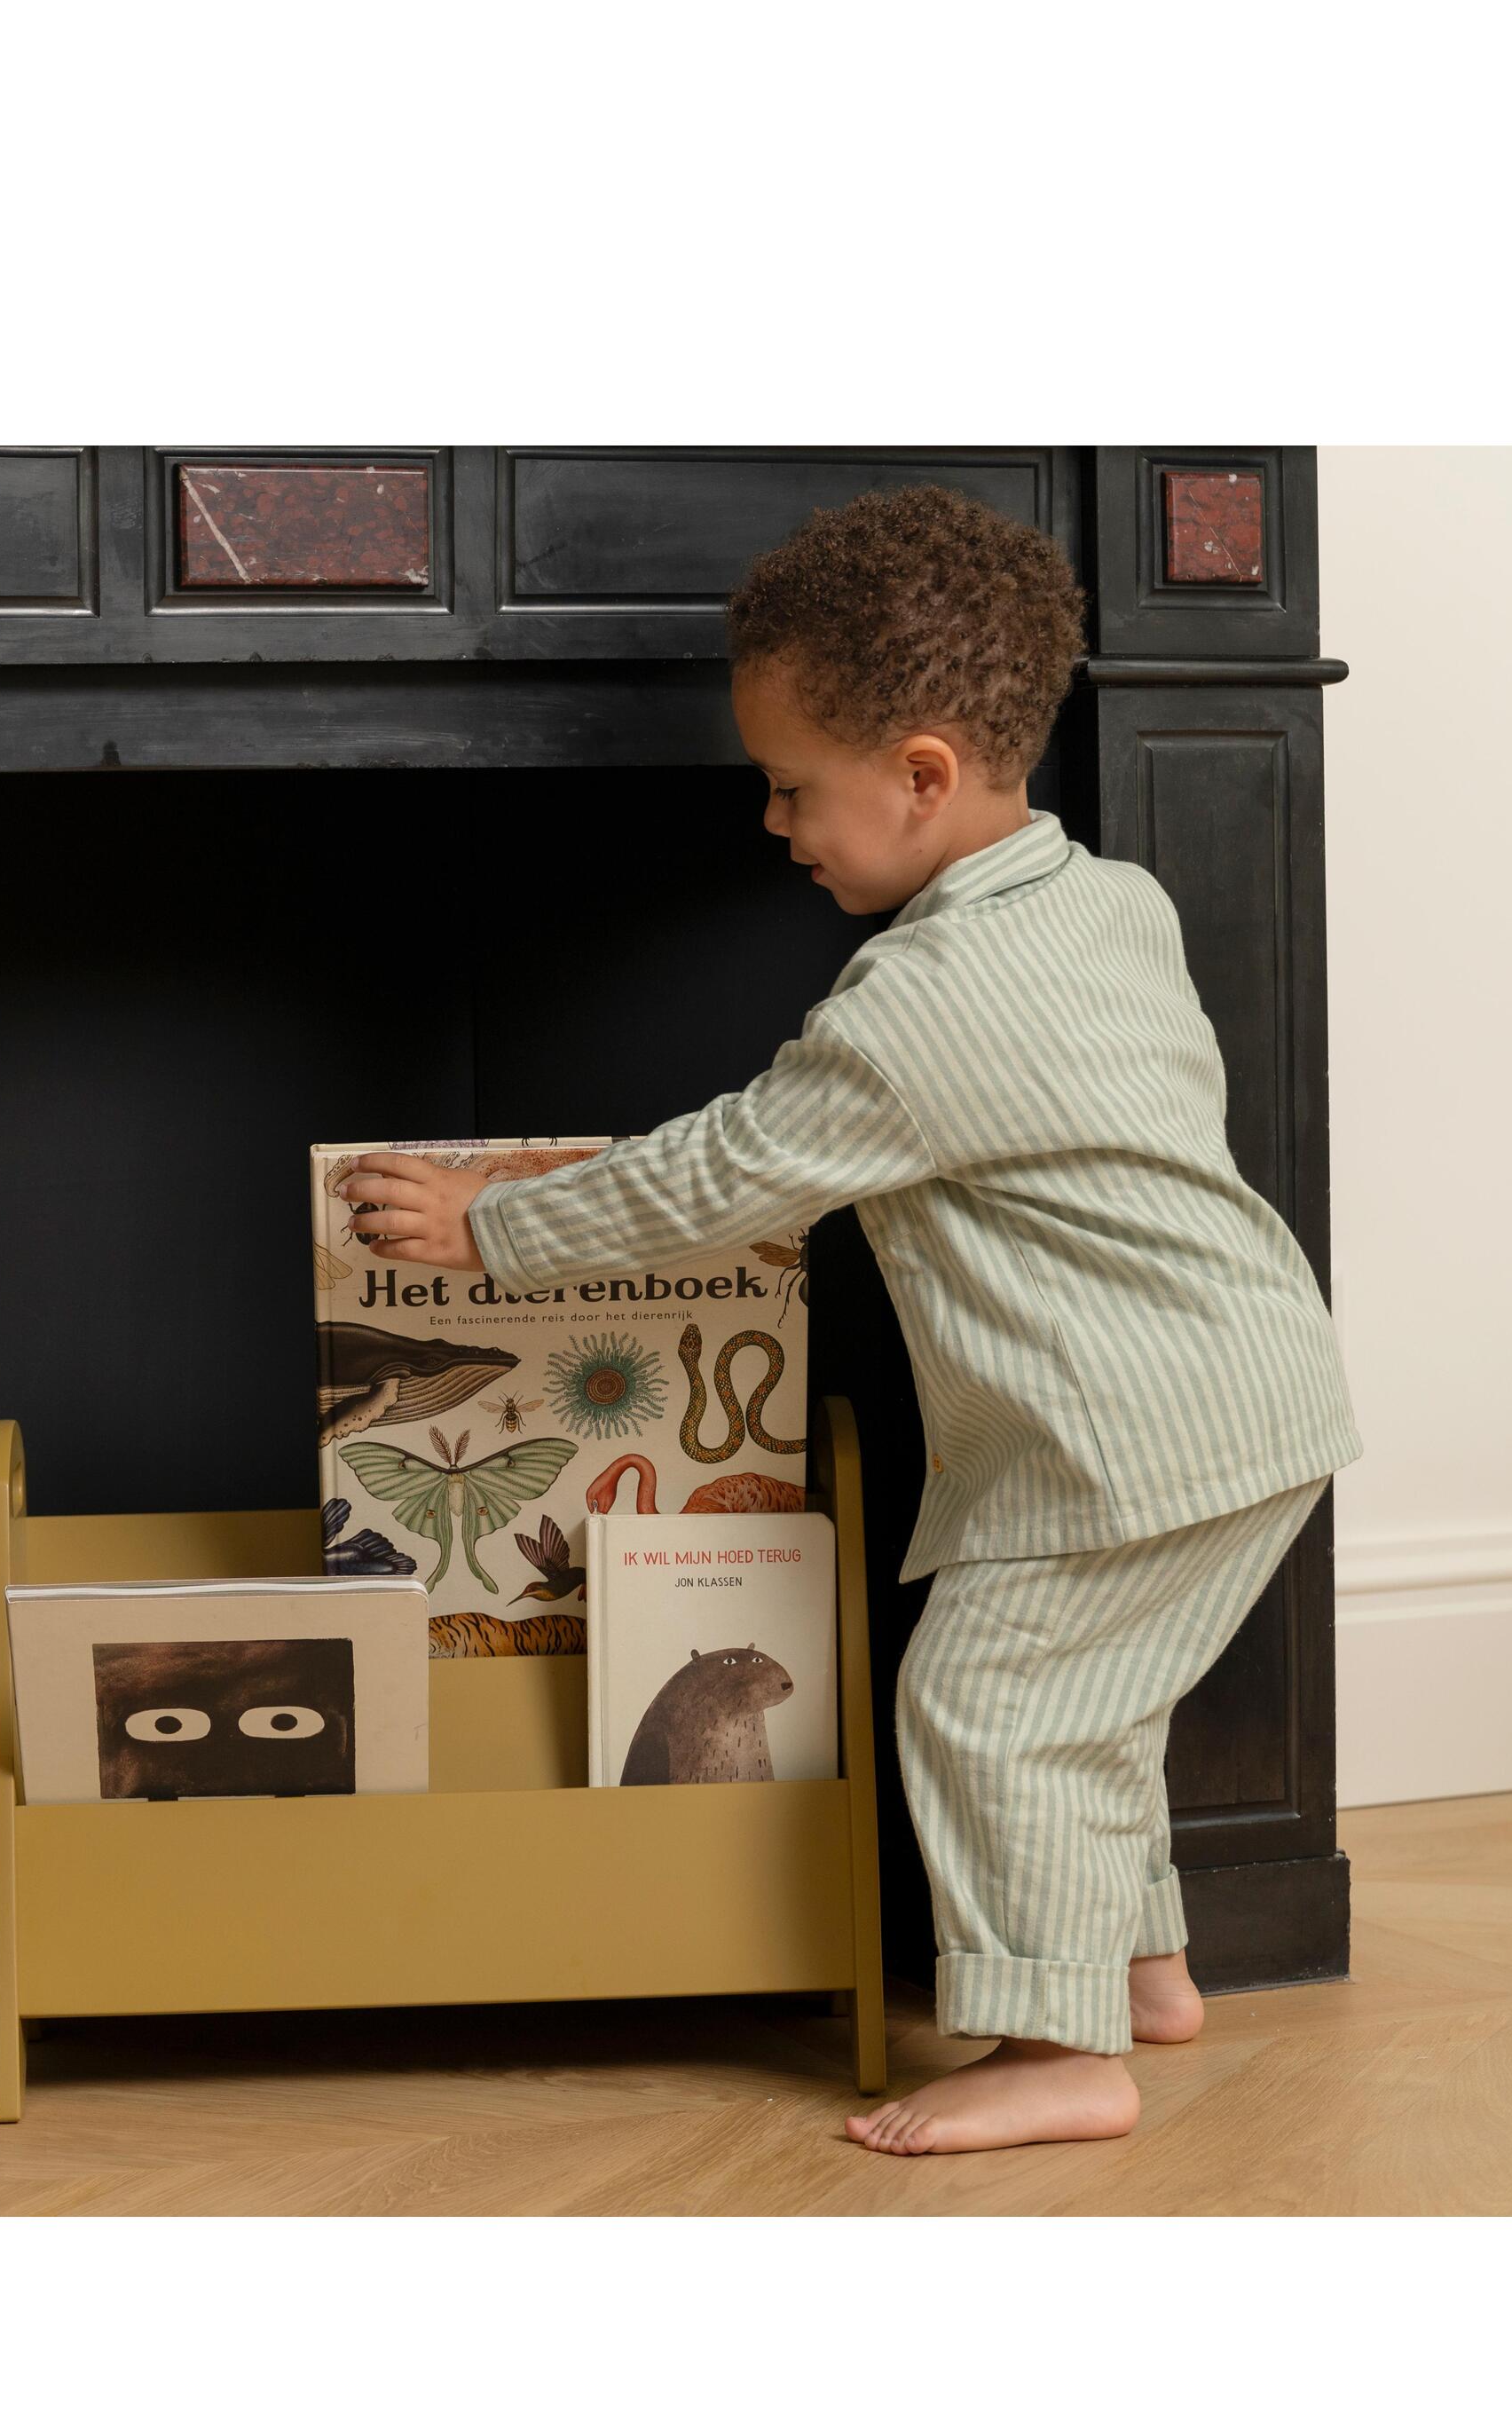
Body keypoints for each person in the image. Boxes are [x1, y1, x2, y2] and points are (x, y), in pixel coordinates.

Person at [333, 486, 1358, 2154]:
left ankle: (1060, 2050)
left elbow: (740, 1168)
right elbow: (790, 1142)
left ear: (923, 774)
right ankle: (1143, 1970)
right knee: (1086, 1711)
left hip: (1117, 1429)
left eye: (793, 785)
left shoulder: (923, 1003)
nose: (772, 821)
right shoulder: (1107, 900)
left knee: (988, 1708)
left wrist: (489, 1226)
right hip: (1240, 1388)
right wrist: (583, 1167)